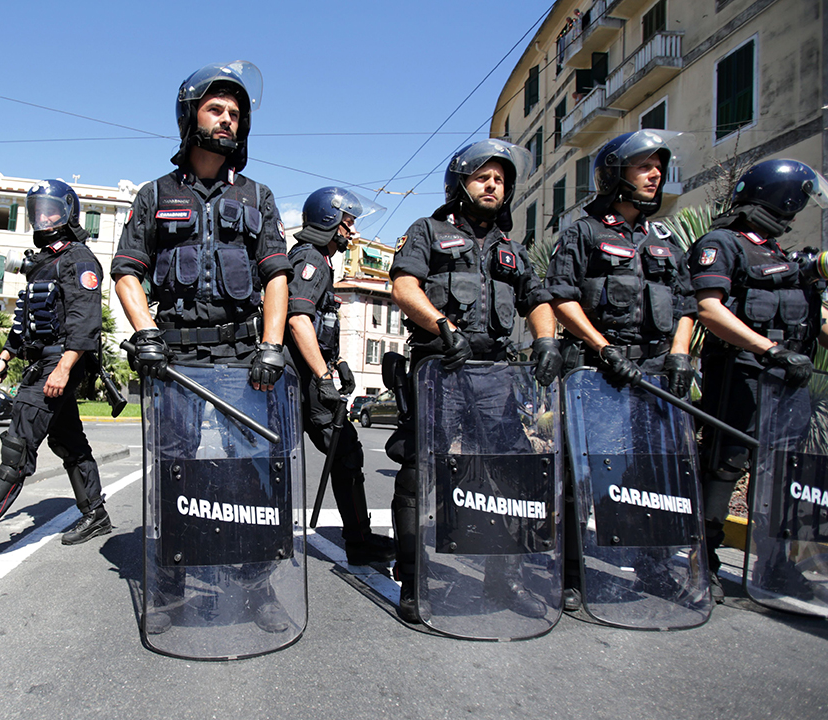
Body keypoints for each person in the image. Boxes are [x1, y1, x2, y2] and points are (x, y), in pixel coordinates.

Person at [111, 60, 292, 635]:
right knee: (174, 469)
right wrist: (145, 334)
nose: (228, 121)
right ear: (190, 115)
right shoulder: (153, 195)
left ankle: (256, 584)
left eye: (236, 114)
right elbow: (126, 271)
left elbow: (276, 276)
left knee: (252, 470)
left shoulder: (258, 196)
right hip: (178, 361)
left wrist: (270, 345)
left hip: (243, 357)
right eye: (217, 109)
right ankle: (169, 585)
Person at [686, 158, 828, 603]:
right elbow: (708, 307)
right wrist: (768, 349)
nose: (795, 213)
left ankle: (778, 565)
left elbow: (818, 318)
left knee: (785, 474)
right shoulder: (724, 243)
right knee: (725, 466)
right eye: (795, 203)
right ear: (780, 197)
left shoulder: (782, 256)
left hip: (791, 382)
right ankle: (704, 564)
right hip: (741, 377)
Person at [387, 138, 561, 623]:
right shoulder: (428, 231)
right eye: (484, 176)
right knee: (421, 471)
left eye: (501, 180)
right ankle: (413, 579)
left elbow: (538, 299)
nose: (493, 185)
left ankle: (503, 581)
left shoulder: (512, 249)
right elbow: (403, 286)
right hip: (439, 368)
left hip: (495, 376)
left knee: (511, 471)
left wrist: (546, 341)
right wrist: (443, 327)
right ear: (460, 182)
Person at [544, 129, 695, 612]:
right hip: (600, 370)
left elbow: (689, 303)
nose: (654, 175)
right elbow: (561, 296)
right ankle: (569, 573)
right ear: (615, 174)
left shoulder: (664, 239)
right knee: (583, 474)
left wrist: (679, 353)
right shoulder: (584, 231)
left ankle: (654, 567)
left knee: (654, 474)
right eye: (642, 166)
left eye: (658, 166)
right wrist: (602, 346)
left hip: (655, 372)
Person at [0, 179, 111, 559]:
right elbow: (27, 320)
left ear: (68, 212)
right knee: (67, 441)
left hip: (60, 364)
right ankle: (96, 513)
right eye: (38, 211)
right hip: (42, 362)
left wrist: (64, 368)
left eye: (52, 210)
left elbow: (86, 321)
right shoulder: (42, 265)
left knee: (18, 448)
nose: (44, 217)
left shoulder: (79, 258)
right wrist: (4, 356)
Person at [286, 187, 395, 565]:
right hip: (300, 384)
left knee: (344, 452)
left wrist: (335, 364)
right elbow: (298, 319)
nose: (352, 232)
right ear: (329, 222)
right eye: (348, 223)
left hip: (308, 379)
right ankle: (358, 542)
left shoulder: (320, 262)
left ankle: (359, 540)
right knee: (343, 451)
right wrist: (323, 376)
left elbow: (316, 327)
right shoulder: (309, 260)